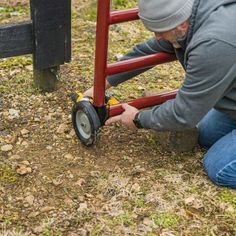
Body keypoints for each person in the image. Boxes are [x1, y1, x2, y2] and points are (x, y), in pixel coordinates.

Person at [84, 0, 236, 189]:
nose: (156, 37)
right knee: (205, 134)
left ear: (181, 24)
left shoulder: (213, 44)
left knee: (219, 167)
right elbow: (151, 49)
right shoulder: (192, 15)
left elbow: (183, 114)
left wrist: (139, 118)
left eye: (160, 31)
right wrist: (105, 81)